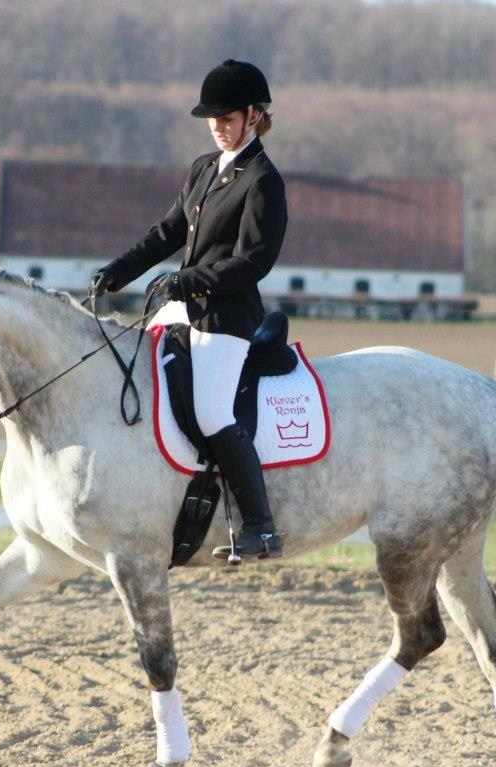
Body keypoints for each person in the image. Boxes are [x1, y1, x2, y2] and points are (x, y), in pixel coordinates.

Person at [89, 59, 287, 560]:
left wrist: (187, 279)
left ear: (254, 116)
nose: (218, 127)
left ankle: (260, 526)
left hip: (227, 317)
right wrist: (118, 271)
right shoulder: (203, 168)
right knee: (133, 370)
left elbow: (253, 263)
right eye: (212, 119)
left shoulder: (263, 180)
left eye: (227, 118)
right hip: (183, 308)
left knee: (212, 410)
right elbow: (167, 233)